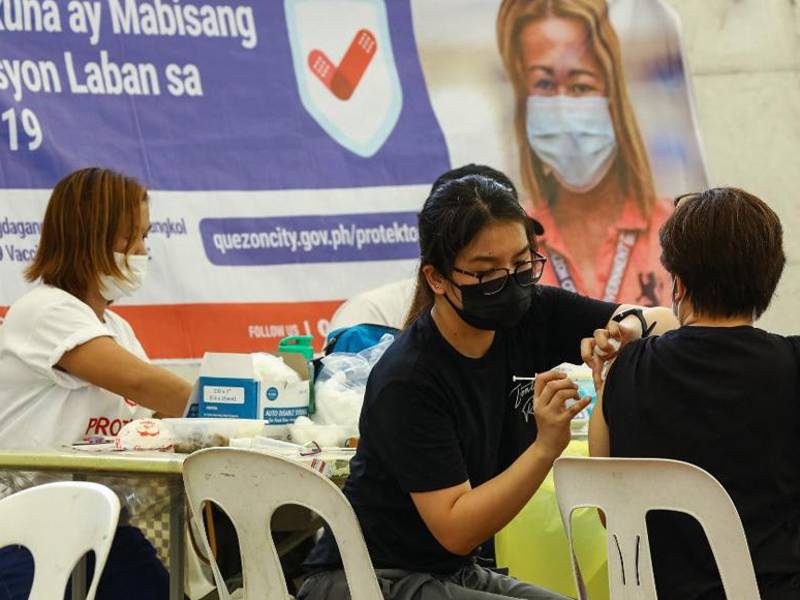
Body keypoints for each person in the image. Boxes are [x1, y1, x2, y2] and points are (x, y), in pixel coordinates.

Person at [299, 172, 674, 600]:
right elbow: (456, 529)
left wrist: (624, 330)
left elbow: (665, 321)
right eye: (486, 275)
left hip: (449, 572)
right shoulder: (410, 378)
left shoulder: (531, 314)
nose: (511, 284)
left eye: (521, 264)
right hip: (366, 578)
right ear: (437, 279)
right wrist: (545, 446)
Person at [588, 188, 800, 600]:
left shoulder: (625, 370)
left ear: (678, 282)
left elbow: (605, 509)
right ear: (770, 280)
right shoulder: (791, 365)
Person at [0, 167, 194, 600]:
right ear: (87, 236)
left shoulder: (116, 328)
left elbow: (154, 418)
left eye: (145, 236)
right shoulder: (45, 311)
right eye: (131, 237)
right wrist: (240, 403)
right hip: (23, 527)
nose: (143, 250)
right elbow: (148, 386)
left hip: (97, 523)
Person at [497, 0, 673, 306]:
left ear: (612, 94)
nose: (564, 108)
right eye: (544, 83)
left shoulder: (675, 231)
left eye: (580, 85)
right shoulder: (509, 242)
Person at [328, 164, 544, 332]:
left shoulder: (541, 311)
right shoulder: (371, 315)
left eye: (520, 260)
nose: (508, 278)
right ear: (437, 274)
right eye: (485, 271)